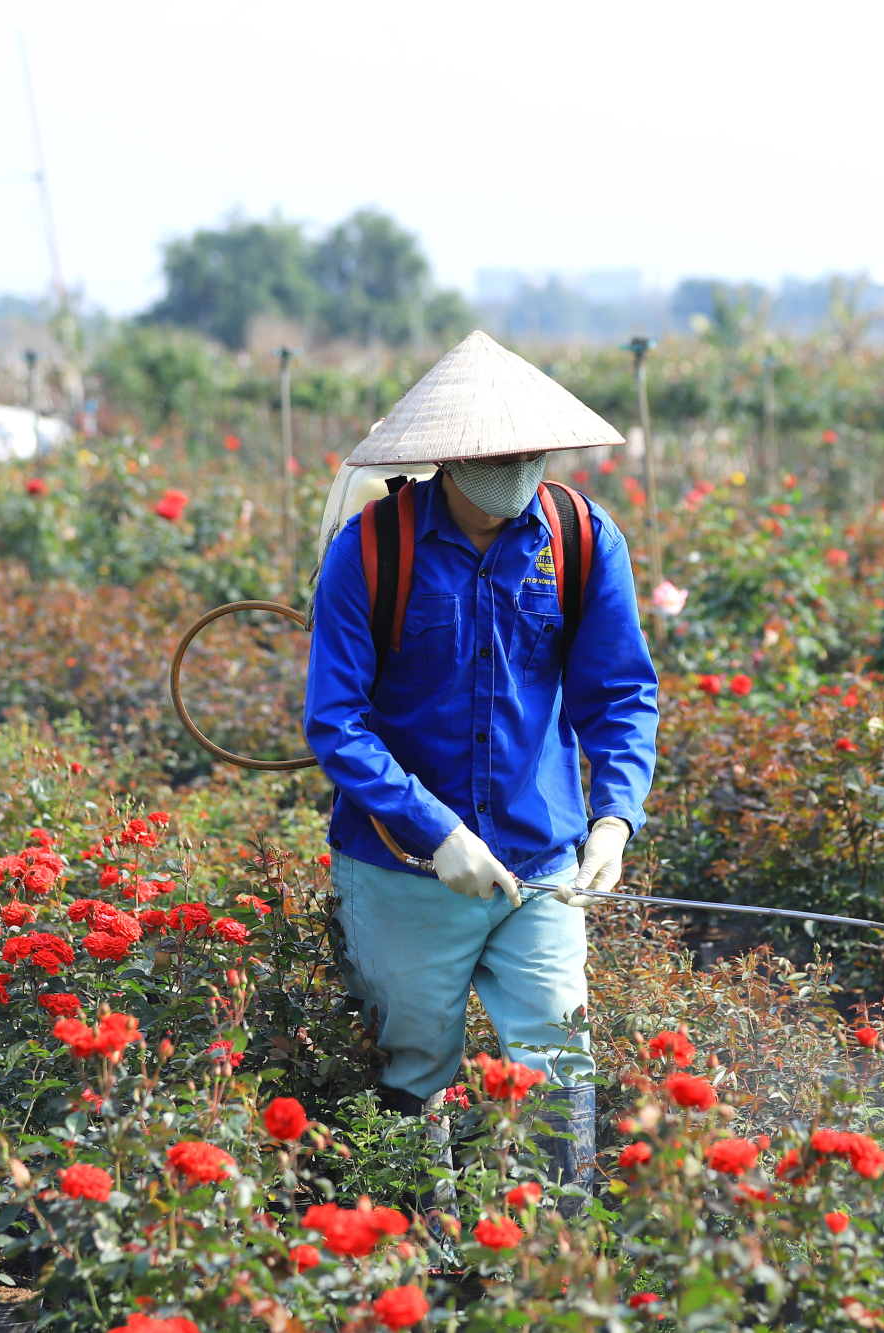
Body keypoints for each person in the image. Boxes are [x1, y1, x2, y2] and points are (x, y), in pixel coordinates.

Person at [304, 331, 659, 1190]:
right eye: (494, 454)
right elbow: (336, 720)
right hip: (403, 872)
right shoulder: (370, 551)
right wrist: (436, 831)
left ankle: (553, 1260)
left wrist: (613, 816)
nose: (515, 466)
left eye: (528, 451)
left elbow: (619, 695)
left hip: (543, 863)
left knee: (556, 1062)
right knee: (415, 1066)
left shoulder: (579, 538)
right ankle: (416, 1262)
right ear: (448, 458)